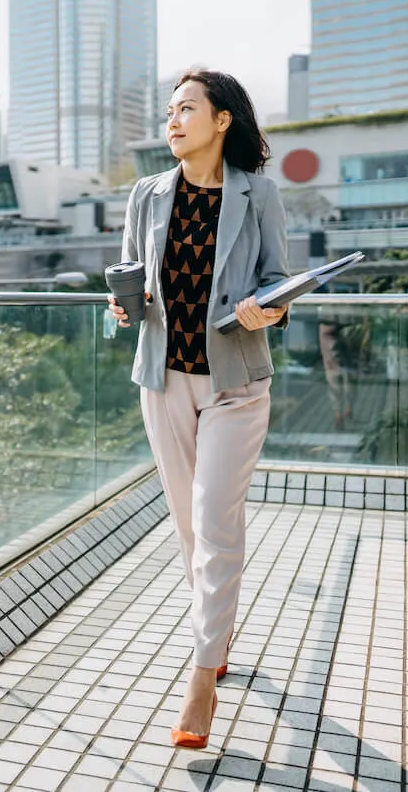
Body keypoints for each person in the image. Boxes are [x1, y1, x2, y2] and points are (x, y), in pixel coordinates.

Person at [108, 69, 289, 749]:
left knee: (216, 521)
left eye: (187, 109)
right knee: (189, 529)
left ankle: (202, 679)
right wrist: (124, 305)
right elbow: (134, 276)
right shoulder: (147, 194)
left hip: (235, 383)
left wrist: (265, 305)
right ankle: (220, 631)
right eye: (169, 112)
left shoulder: (259, 194)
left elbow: (280, 282)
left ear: (222, 121)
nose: (173, 121)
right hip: (164, 380)